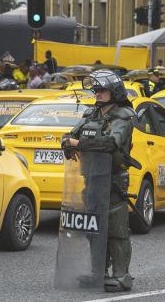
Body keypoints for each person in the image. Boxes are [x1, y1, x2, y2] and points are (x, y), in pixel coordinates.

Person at [62, 69, 135, 292]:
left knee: (115, 226)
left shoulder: (124, 115)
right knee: (93, 225)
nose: (97, 93)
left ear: (114, 91)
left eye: (102, 89)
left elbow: (111, 143)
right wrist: (67, 145)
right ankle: (98, 272)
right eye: (95, 89)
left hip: (113, 179)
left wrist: (78, 145)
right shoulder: (91, 114)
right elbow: (69, 136)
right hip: (91, 177)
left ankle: (121, 275)